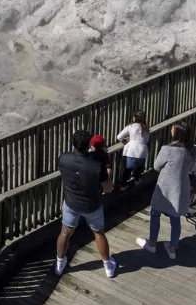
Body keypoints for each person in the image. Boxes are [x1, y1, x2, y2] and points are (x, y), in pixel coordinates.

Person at [135, 121, 196, 261]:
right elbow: (190, 167)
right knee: (175, 218)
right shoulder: (191, 150)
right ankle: (172, 248)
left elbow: (156, 166)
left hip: (165, 188)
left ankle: (152, 243)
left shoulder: (168, 149)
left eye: (172, 128)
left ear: (176, 133)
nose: (170, 130)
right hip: (181, 187)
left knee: (155, 214)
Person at [56, 130, 117, 278]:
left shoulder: (63, 158)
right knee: (98, 233)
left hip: (71, 202)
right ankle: (108, 266)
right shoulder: (96, 166)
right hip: (92, 205)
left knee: (65, 232)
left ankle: (59, 264)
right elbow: (108, 189)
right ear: (89, 144)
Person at [116, 110, 150, 185]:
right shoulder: (146, 128)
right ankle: (137, 180)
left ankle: (123, 185)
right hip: (143, 151)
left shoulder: (130, 126)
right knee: (139, 168)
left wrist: (128, 139)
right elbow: (146, 140)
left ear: (135, 118)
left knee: (128, 168)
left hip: (132, 151)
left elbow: (119, 137)